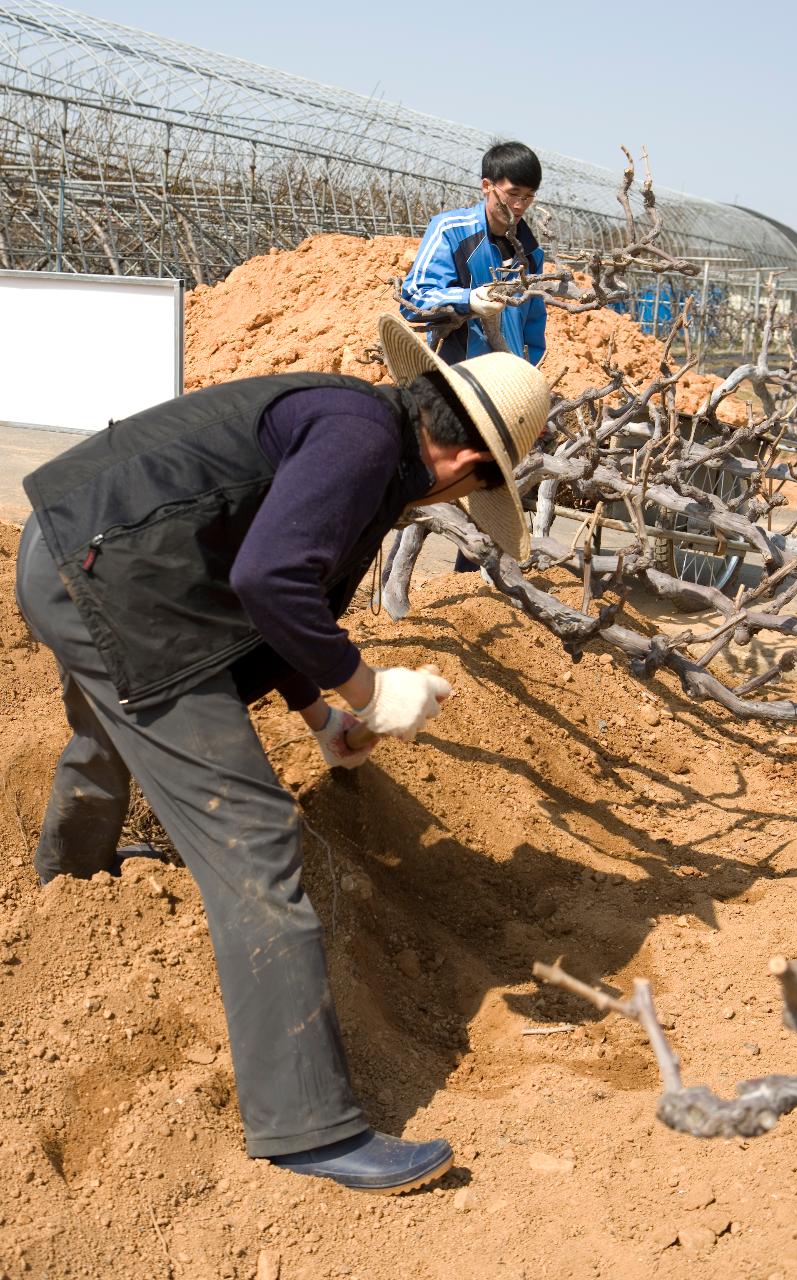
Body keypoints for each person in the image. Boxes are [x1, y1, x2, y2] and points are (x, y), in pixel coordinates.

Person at [15, 314, 550, 1195]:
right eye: (470, 494)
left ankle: (72, 884)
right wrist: (372, 692)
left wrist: (317, 713)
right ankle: (307, 1129)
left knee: (118, 723)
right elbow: (270, 581)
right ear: (464, 467)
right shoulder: (362, 444)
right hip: (115, 584)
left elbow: (259, 594)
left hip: (79, 554)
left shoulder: (359, 425)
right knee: (256, 839)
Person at [400, 140, 546, 571]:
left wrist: (525, 369)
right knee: (433, 487)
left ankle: (472, 584)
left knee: (491, 492)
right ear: (487, 186)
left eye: (529, 197)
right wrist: (468, 300)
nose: (520, 205)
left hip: (504, 390)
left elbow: (534, 324)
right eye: (513, 194)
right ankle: (397, 580)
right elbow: (414, 299)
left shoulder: (529, 250)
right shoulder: (452, 231)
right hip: (454, 383)